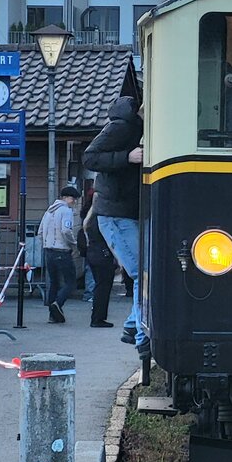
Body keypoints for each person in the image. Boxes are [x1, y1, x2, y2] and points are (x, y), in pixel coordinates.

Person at [82, 96, 147, 356]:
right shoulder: (122, 127)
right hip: (116, 213)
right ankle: (140, 336)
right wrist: (126, 157)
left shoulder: (133, 127)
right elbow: (89, 157)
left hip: (120, 212)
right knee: (143, 275)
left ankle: (133, 327)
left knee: (143, 274)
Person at [37, 185, 80, 323]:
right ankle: (58, 303)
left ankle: (52, 315)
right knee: (70, 282)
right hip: (62, 251)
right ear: (66, 198)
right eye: (73, 199)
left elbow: (40, 232)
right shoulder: (66, 211)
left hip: (48, 251)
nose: (74, 202)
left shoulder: (49, 211)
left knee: (54, 282)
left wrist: (46, 244)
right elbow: (66, 230)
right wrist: (73, 244)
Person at [83, 194, 115, 328]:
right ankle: (98, 318)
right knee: (104, 287)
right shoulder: (103, 218)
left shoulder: (89, 219)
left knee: (99, 286)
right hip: (103, 254)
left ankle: (96, 317)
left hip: (92, 252)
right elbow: (110, 237)